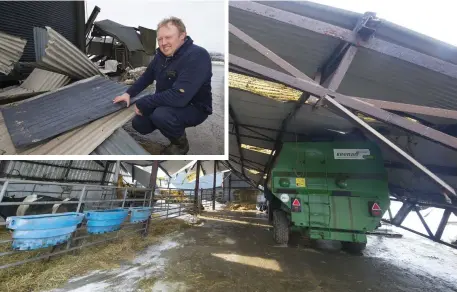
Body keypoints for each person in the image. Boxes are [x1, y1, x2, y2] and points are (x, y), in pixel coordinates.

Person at [113, 16, 212, 155]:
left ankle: (180, 144)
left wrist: (144, 102)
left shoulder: (197, 56)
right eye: (160, 39)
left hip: (193, 107)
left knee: (161, 116)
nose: (163, 43)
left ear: (182, 36)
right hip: (166, 101)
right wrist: (128, 93)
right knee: (139, 124)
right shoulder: (160, 56)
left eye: (168, 37)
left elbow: (179, 96)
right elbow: (147, 76)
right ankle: (168, 124)